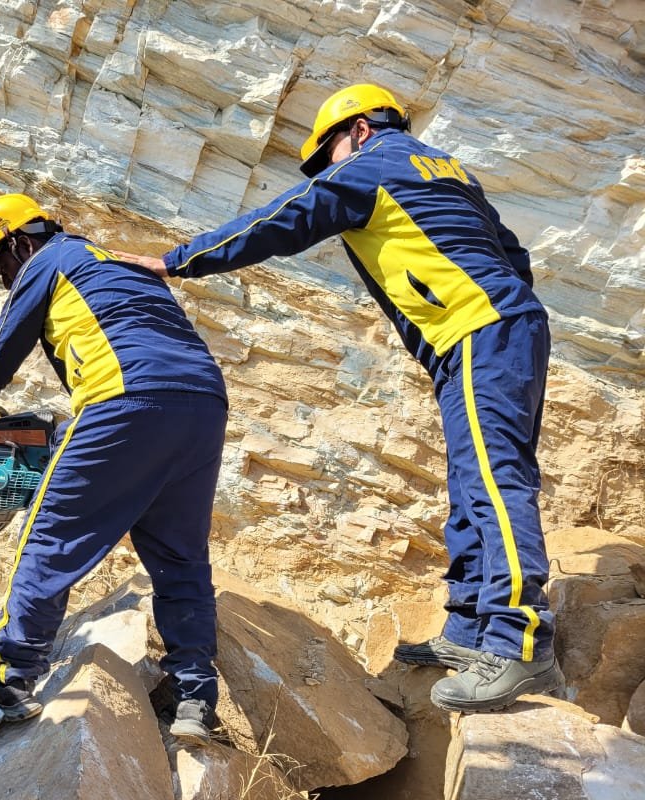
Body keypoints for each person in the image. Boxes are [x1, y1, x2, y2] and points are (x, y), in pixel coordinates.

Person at [116, 83, 560, 713]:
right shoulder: (446, 169)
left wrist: (176, 262)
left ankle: (520, 641)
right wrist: (497, 313)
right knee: (470, 482)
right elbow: (514, 256)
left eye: (328, 153)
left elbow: (282, 220)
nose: (329, 168)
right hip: (500, 327)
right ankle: (468, 629)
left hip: (478, 331)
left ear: (359, 129)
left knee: (493, 479)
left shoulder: (372, 163)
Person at [0, 193, 230, 744]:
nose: (6, 282)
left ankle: (14, 678)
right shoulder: (119, 265)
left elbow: (1, 346)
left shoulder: (47, 261)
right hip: (203, 406)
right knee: (180, 557)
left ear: (19, 241)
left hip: (126, 398)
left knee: (49, 534)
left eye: (1, 268)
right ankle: (196, 699)